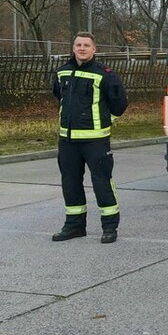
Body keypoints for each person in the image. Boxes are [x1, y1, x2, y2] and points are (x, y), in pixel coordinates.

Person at [51, 32, 128, 244]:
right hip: (67, 141)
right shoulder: (62, 72)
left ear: (94, 49)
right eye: (78, 45)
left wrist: (105, 120)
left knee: (102, 182)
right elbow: (58, 96)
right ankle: (74, 226)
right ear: (73, 47)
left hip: (96, 141)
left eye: (86, 45)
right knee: (70, 182)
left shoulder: (106, 74)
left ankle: (109, 227)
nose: (82, 48)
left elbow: (120, 104)